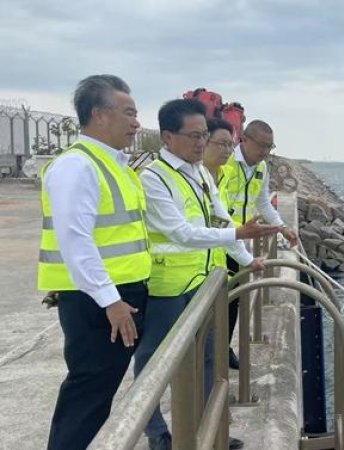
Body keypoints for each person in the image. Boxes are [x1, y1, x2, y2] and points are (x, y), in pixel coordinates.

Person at [135, 99, 279, 450]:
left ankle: (211, 428)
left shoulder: (199, 173)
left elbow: (220, 219)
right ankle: (157, 433)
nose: (201, 143)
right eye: (194, 136)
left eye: (204, 135)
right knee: (155, 362)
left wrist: (246, 259)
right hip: (167, 286)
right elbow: (181, 233)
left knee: (209, 356)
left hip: (203, 282)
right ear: (168, 137)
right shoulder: (154, 178)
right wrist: (238, 234)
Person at [40, 74, 150, 449]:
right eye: (128, 113)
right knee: (88, 393)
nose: (136, 123)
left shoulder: (114, 165)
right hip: (97, 301)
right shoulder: (78, 166)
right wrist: (111, 301)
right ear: (100, 114)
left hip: (116, 295)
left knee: (98, 393)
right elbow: (75, 241)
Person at [220, 120, 297, 369]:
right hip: (221, 239)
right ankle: (210, 353)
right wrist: (246, 256)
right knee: (216, 299)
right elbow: (217, 209)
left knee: (233, 300)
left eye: (269, 147)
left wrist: (282, 227)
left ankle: (222, 349)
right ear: (245, 139)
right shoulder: (225, 164)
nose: (265, 152)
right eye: (261, 145)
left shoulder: (261, 167)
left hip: (240, 240)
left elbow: (262, 202)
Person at [202, 117, 236, 272]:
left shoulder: (225, 176)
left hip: (218, 265)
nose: (228, 150)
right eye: (222, 144)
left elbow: (220, 220)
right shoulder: (191, 177)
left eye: (230, 145)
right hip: (194, 270)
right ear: (204, 141)